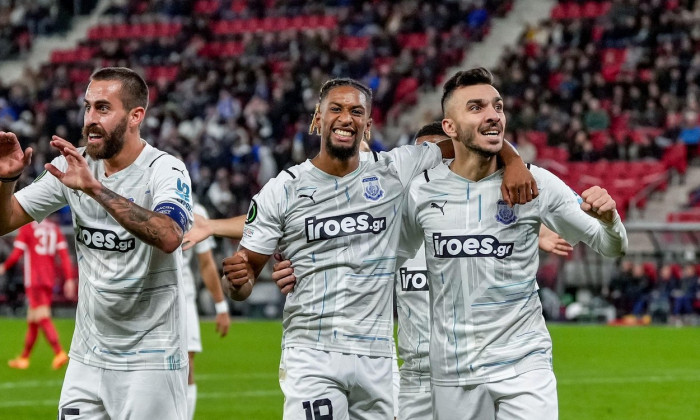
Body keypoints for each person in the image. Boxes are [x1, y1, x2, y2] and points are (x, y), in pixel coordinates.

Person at [221, 77, 536, 419]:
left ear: (368, 125)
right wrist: (238, 281)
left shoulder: (393, 171)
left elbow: (469, 140)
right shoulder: (282, 190)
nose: (346, 118)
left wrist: (514, 160)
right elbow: (244, 279)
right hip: (312, 350)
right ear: (318, 118)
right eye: (336, 109)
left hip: (378, 359)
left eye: (356, 111)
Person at [271, 122, 573, 420]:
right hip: (414, 383)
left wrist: (532, 217)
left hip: (474, 373)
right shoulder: (389, 228)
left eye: (437, 159)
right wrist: (299, 267)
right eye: (419, 159)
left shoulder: (481, 226)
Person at [399, 68, 627, 420]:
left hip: (524, 363)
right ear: (449, 127)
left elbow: (610, 246)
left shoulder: (538, 184)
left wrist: (610, 218)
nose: (492, 114)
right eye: (475, 107)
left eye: (498, 106)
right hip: (453, 371)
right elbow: (380, 258)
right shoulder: (420, 192)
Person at [0, 67, 193, 420]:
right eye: (88, 107)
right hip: (87, 358)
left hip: (151, 359)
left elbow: (169, 235)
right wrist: (7, 180)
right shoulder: (73, 165)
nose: (90, 119)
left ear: (136, 116)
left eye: (103, 108)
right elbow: (5, 220)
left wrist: (95, 189)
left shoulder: (166, 170)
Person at [3, 216, 76, 370]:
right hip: (49, 278)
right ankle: (24, 358)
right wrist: (69, 279)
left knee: (42, 316)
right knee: (33, 318)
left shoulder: (28, 228)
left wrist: (4, 266)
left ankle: (59, 352)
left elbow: (17, 253)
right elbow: (64, 256)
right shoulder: (54, 228)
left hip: (34, 279)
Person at [182, 201, 231, 420]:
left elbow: (206, 263)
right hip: (146, 297)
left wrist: (221, 307)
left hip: (182, 297)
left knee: (187, 363)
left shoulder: (194, 210)